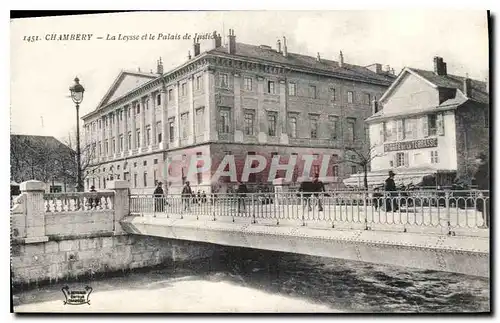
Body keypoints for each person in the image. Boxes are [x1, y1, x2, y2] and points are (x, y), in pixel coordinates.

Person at [474, 153, 490, 228]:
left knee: (485, 208)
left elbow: (481, 180)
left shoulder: (482, 168)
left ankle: (486, 223)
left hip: (485, 191)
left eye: (477, 158)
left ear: (481, 159)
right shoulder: (485, 167)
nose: (475, 160)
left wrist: (480, 190)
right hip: (485, 190)